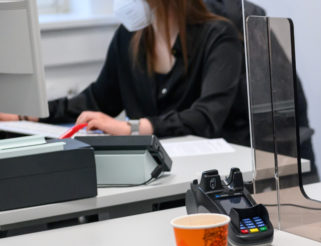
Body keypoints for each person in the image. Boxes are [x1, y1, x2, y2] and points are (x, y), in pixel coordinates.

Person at [0, 0, 249, 144]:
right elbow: (96, 101)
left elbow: (206, 117)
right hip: (154, 171)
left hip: (209, 172)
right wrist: (29, 115)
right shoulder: (128, 36)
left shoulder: (220, 35)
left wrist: (131, 128)